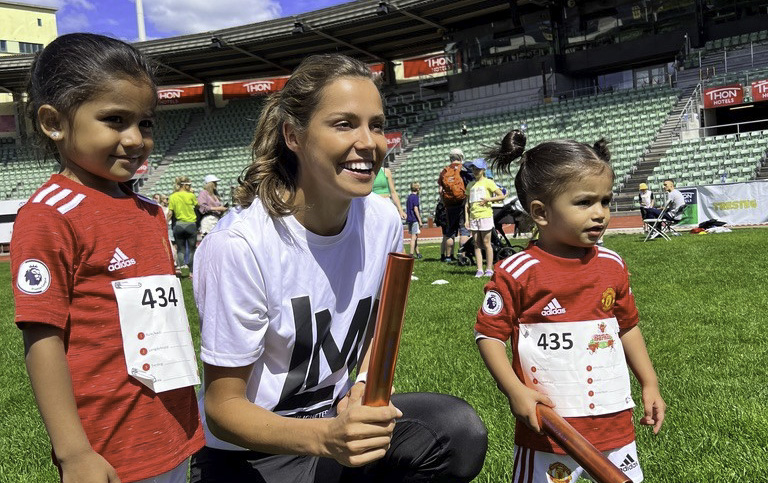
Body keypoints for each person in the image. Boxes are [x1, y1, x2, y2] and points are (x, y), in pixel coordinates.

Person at [190, 53, 487, 483]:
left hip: (333, 429)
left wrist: (363, 387)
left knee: (456, 431)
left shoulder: (381, 219)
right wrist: (325, 437)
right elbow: (222, 410)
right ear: (293, 135)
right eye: (344, 124)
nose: (369, 142)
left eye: (377, 125)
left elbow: (371, 332)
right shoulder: (239, 245)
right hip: (251, 456)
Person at [11, 33, 204, 483]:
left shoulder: (150, 211)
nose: (135, 139)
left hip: (174, 429)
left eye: (147, 123)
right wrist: (74, 451)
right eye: (115, 120)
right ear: (54, 122)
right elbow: (43, 339)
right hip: (109, 450)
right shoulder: (49, 215)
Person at [475, 129, 666, 483]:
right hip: (549, 430)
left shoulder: (612, 264)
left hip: (614, 426)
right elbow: (488, 336)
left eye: (605, 201)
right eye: (585, 202)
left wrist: (649, 382)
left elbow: (627, 326)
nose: (600, 214)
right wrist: (515, 390)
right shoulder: (517, 273)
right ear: (540, 212)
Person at [464, 159, 505, 277]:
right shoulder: (470, 185)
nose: (475, 171)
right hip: (473, 217)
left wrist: (488, 199)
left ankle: (489, 268)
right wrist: (467, 219)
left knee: (487, 243)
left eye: (478, 169)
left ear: (483, 170)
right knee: (476, 244)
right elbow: (467, 204)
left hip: (485, 215)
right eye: (474, 169)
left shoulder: (488, 183)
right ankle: (479, 269)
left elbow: (501, 196)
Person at [438, 147, 469, 262]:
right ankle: (463, 255)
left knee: (450, 231)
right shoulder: (464, 169)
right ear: (461, 156)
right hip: (463, 203)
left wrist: (445, 201)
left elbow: (440, 191)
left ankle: (448, 256)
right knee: (464, 230)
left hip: (450, 205)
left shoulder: (444, 171)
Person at [167, 175, 198, 275]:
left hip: (179, 225)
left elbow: (170, 213)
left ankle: (180, 270)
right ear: (185, 186)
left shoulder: (172, 196)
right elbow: (198, 205)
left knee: (181, 249)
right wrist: (193, 194)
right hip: (190, 224)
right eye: (189, 185)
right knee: (192, 249)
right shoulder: (190, 195)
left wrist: (165, 223)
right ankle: (191, 272)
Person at [405, 182, 422, 258]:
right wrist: (420, 220)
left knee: (415, 236)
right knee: (413, 237)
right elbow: (415, 209)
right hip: (414, 219)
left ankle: (417, 252)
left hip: (409, 219)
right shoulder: (415, 197)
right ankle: (411, 254)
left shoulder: (409, 197)